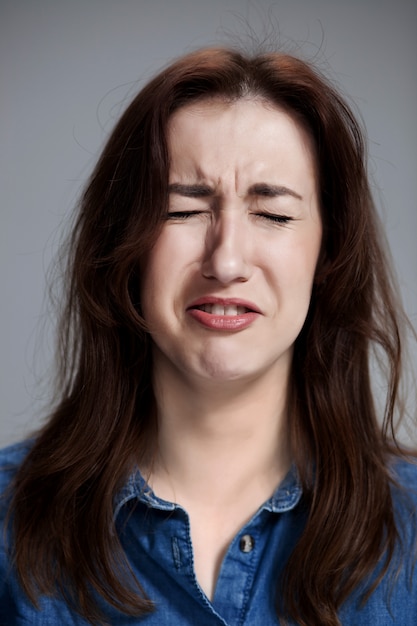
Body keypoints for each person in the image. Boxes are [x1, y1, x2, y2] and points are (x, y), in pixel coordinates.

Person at [0, 46, 416, 626]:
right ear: (125, 248)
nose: (225, 261)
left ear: (329, 253)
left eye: (272, 215)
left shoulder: (412, 532)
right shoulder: (7, 524)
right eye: (182, 211)